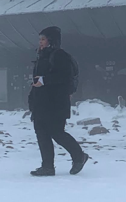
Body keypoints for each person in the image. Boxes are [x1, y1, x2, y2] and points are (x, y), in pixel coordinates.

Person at [29, 26, 89, 176]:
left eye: (43, 39)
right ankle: (47, 167)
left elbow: (64, 77)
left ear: (51, 40)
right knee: (42, 134)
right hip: (41, 104)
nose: (40, 42)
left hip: (55, 104)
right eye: (40, 39)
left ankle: (79, 156)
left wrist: (44, 80)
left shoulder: (59, 55)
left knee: (57, 133)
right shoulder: (41, 56)